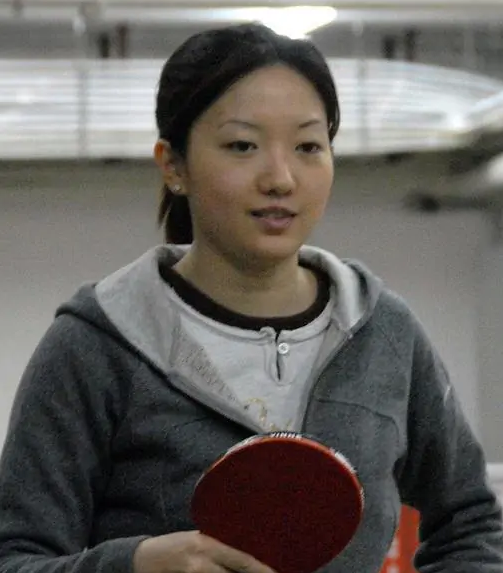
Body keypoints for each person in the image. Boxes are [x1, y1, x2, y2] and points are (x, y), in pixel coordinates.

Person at [0, 22, 501, 573]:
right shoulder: (96, 345)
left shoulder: (383, 331)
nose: (281, 178)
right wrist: (136, 564)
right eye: (243, 146)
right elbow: (15, 558)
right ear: (173, 165)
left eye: (308, 146)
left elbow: (471, 524)